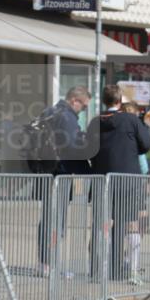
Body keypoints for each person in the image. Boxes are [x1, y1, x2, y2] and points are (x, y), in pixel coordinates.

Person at [85, 86, 150, 282]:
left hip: (102, 179)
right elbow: (146, 144)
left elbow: (87, 150)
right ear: (119, 101)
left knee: (99, 224)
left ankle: (95, 269)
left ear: (104, 100)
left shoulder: (95, 122)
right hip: (127, 180)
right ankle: (115, 269)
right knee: (122, 224)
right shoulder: (130, 120)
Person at [35, 86, 92, 277]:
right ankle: (50, 266)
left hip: (45, 171)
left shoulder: (48, 112)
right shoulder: (67, 117)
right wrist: (88, 169)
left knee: (48, 218)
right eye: (84, 106)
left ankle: (44, 263)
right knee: (56, 220)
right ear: (74, 100)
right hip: (60, 173)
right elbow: (72, 148)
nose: (83, 110)